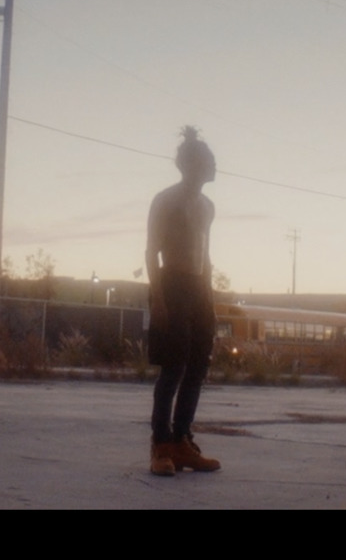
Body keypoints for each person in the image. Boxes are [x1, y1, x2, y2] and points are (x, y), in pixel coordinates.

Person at [146, 125, 222, 476]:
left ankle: (181, 442)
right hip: (172, 285)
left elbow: (206, 254)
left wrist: (209, 298)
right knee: (173, 369)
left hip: (199, 291)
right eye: (209, 161)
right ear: (191, 165)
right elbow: (151, 252)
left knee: (197, 369)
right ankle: (160, 447)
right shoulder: (165, 199)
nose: (215, 166)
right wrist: (158, 299)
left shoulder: (208, 206)